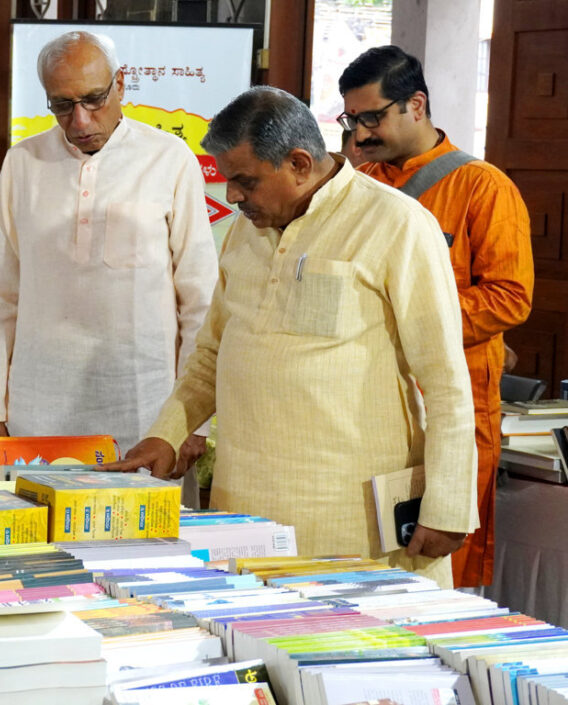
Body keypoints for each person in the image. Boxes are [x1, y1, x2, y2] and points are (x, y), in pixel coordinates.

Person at [108, 86, 478, 588]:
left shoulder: (396, 223)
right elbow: (213, 351)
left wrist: (449, 504)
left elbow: (446, 381)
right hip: (242, 515)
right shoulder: (247, 231)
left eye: (245, 182)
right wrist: (167, 432)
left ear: (300, 164)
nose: (233, 197)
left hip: (352, 522)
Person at [0, 31, 218, 499]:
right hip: (37, 409)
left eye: (93, 99)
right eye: (62, 105)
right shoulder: (23, 162)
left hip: (146, 409)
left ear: (121, 85)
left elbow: (200, 300)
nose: (79, 120)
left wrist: (191, 422)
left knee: (148, 549)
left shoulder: (170, 160)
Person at [339, 45, 534, 588]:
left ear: (416, 105)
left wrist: (415, 322)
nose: (359, 134)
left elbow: (508, 296)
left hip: (454, 404)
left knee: (443, 566)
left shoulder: (483, 187)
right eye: (351, 119)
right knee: (372, 567)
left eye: (372, 117)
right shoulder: (360, 186)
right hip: (369, 408)